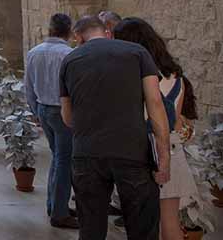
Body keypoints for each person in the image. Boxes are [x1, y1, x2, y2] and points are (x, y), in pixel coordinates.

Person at [59, 16, 171, 240]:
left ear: (79, 37)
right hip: (132, 152)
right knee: (142, 227)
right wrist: (164, 154)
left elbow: (68, 117)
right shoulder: (138, 53)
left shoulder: (70, 60)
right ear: (107, 32)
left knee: (91, 228)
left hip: (87, 153)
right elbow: (155, 104)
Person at [114, 18, 199, 240]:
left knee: (141, 225)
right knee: (170, 222)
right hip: (172, 152)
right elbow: (176, 120)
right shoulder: (176, 77)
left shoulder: (132, 77)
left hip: (142, 154)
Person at [23, 13, 77, 228]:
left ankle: (54, 204)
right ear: (69, 31)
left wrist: (35, 111)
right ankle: (59, 213)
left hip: (43, 109)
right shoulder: (69, 54)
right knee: (64, 161)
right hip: (62, 111)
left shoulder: (34, 52)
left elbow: (28, 85)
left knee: (58, 158)